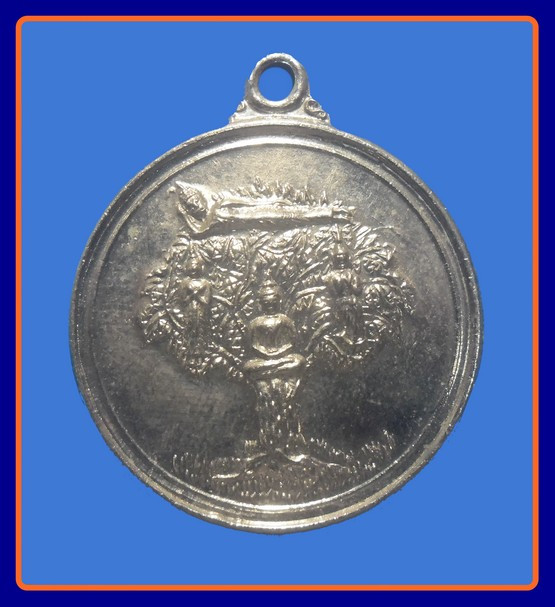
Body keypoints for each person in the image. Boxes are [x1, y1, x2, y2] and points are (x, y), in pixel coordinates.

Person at [243, 280, 305, 451]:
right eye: (266, 302)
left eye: (273, 302)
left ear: (279, 301)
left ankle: (271, 370)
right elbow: (250, 345)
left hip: (282, 359)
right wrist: (267, 356)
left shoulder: (285, 320)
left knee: (299, 360)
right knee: (248, 366)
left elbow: (293, 342)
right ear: (260, 303)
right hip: (262, 361)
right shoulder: (255, 323)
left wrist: (278, 356)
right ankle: (273, 369)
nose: (270, 305)